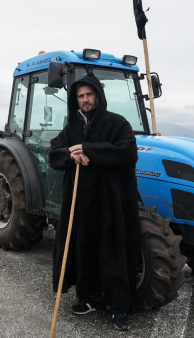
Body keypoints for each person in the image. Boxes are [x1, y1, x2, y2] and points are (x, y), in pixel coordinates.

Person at [48, 72, 141, 331]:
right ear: (75, 100)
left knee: (112, 250)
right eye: (81, 96)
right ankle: (88, 297)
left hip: (111, 202)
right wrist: (71, 153)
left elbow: (127, 152)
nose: (86, 99)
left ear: (98, 96)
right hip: (81, 203)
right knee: (85, 248)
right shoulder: (72, 128)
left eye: (89, 94)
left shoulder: (117, 123)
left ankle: (117, 306)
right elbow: (54, 153)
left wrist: (89, 150)